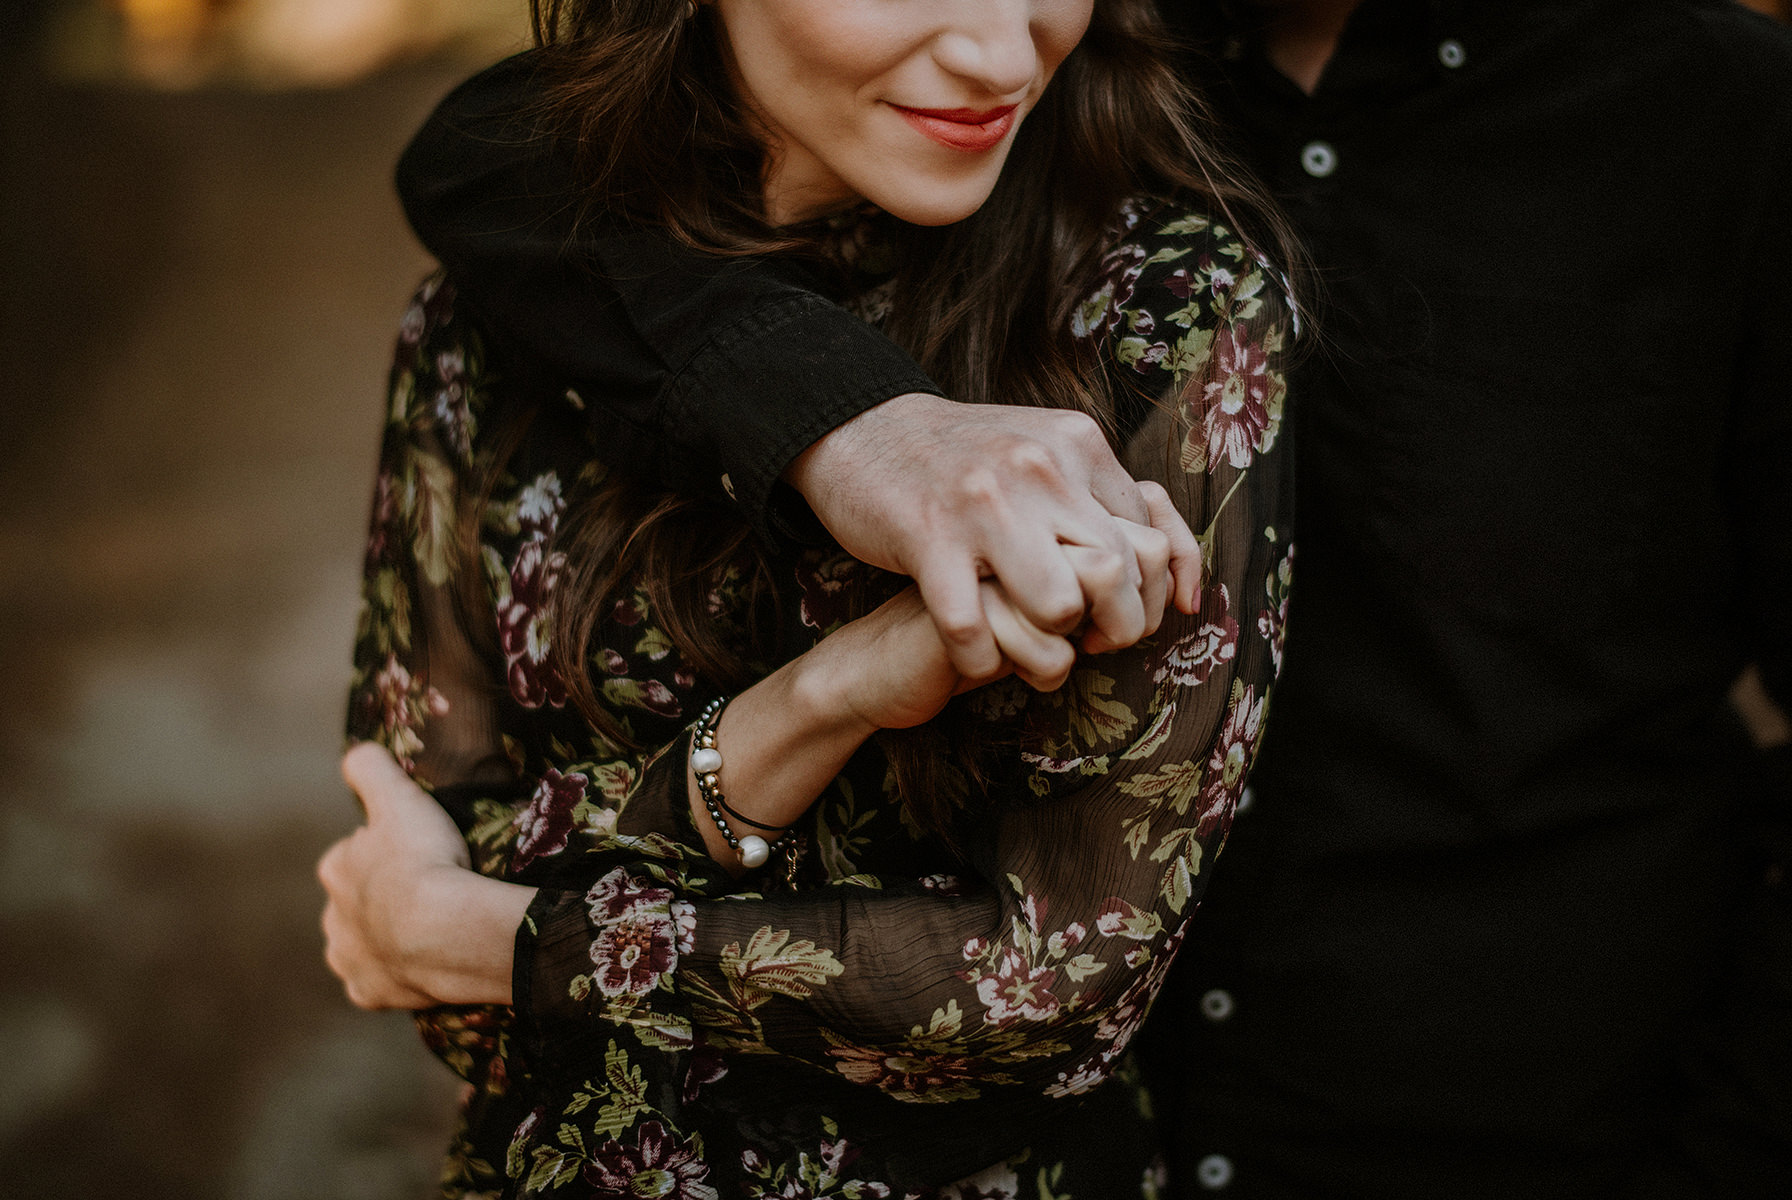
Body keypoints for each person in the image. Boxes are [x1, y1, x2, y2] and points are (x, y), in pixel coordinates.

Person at [374, 0, 1792, 1196]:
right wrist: (843, 430)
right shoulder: (1092, 70)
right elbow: (501, 143)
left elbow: (1050, 981)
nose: (991, 49)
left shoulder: (1718, 116)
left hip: (1550, 1143)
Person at [319, 0, 1300, 1196]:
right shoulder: (493, 312)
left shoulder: (1163, 320)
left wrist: (510, 941)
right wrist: (816, 706)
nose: (1001, 53)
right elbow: (433, 985)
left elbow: (1051, 997)